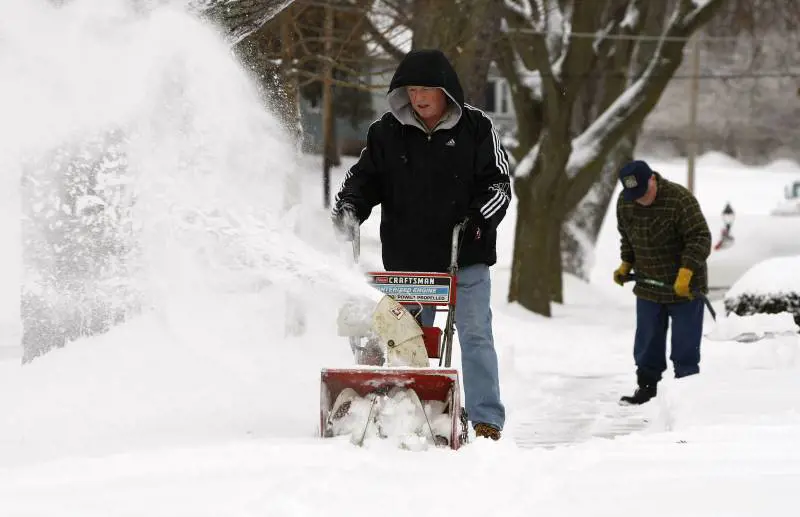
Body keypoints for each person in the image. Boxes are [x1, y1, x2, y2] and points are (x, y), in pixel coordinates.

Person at [331, 49, 511, 440]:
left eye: (427, 90)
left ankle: (485, 419)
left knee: (475, 333)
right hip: (408, 262)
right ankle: (402, 407)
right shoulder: (386, 132)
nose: (419, 98)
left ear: (446, 91)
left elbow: (498, 184)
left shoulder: (476, 128)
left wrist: (479, 218)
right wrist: (349, 207)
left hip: (463, 257)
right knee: (402, 336)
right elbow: (363, 179)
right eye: (412, 90)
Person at [613, 160, 712, 405]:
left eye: (644, 193)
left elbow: (700, 237)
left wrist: (686, 271)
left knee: (685, 348)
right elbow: (627, 236)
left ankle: (685, 395)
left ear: (653, 179)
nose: (640, 200)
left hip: (685, 287)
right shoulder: (625, 202)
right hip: (649, 284)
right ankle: (647, 389)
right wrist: (627, 263)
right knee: (647, 343)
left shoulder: (679, 199)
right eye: (635, 195)